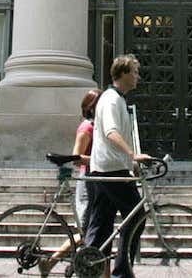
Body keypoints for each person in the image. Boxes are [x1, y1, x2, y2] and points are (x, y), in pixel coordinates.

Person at [83, 53, 153, 278]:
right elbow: (111, 133)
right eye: (134, 72)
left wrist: (130, 163)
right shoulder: (112, 100)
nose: (138, 77)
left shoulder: (115, 99)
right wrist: (133, 155)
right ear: (122, 73)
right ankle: (122, 273)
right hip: (111, 170)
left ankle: (87, 268)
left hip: (105, 169)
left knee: (101, 226)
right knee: (135, 218)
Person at [44, 88, 101, 273]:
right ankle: (51, 262)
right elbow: (76, 157)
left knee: (91, 228)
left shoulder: (96, 126)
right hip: (88, 181)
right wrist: (101, 160)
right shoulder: (87, 128)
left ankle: (77, 264)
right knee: (85, 230)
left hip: (96, 180)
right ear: (92, 107)